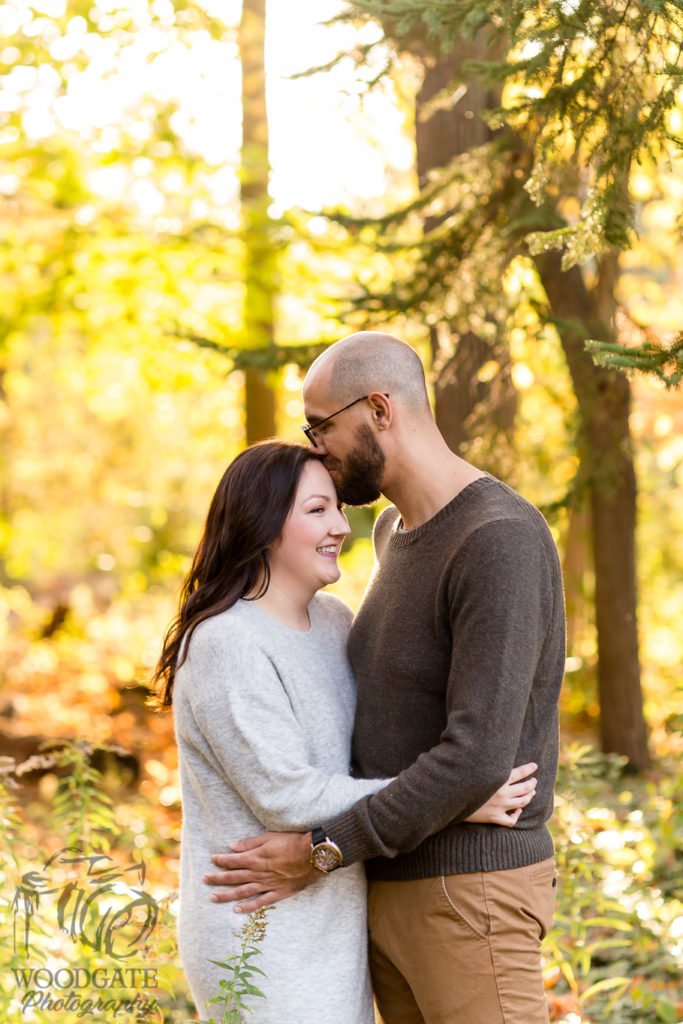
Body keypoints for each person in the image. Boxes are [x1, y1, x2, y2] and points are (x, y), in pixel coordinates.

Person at [203, 332, 566, 1024]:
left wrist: (319, 850)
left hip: (470, 892)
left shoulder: (497, 539)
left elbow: (476, 760)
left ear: (378, 408)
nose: (313, 448)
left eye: (321, 427)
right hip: (385, 891)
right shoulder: (392, 533)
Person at [153, 440, 535, 1024]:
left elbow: (361, 759)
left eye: (338, 509)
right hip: (258, 921)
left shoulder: (335, 623)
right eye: (315, 511)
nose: (340, 527)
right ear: (261, 526)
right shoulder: (225, 644)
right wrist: (455, 800)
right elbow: (289, 797)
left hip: (334, 905)